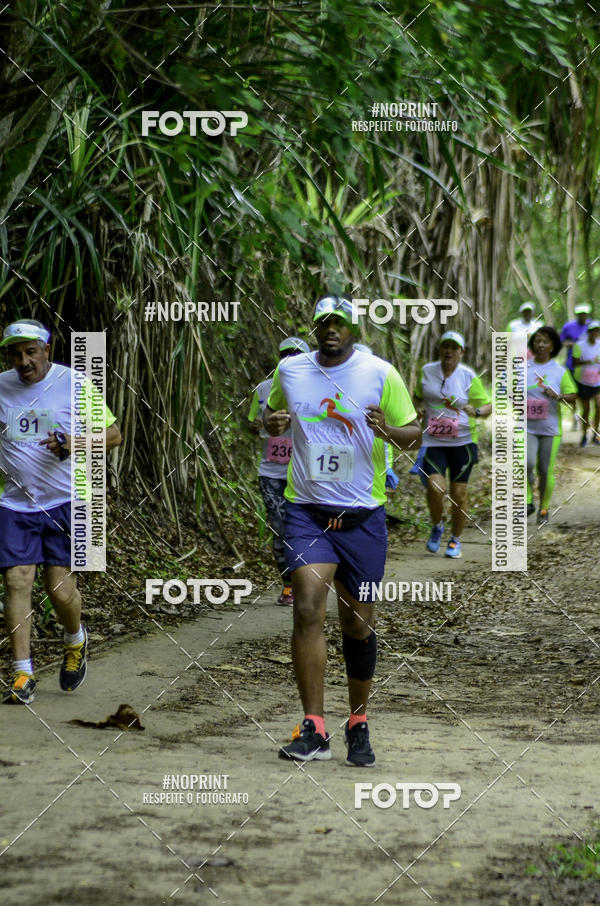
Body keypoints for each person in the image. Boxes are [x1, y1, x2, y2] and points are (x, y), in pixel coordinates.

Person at [264, 296, 420, 765]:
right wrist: (270, 424)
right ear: (314, 328)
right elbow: (268, 419)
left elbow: (415, 433)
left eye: (340, 322)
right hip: (308, 513)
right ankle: (313, 727)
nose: (330, 329)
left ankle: (358, 722)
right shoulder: (290, 373)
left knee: (357, 623)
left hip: (362, 519)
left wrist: (387, 430)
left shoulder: (379, 373)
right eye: (323, 322)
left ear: (352, 328)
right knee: (308, 608)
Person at [0, 320, 122, 704]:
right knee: (17, 581)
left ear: (47, 350)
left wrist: (74, 442)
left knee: (59, 589)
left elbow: (114, 435)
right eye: (16, 354)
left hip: (67, 501)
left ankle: (75, 639)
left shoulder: (76, 384)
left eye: (31, 352)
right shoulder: (1, 386)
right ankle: (22, 673)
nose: (24, 361)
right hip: (15, 504)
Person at [414, 331, 491, 559]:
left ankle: (455, 539)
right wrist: (417, 409)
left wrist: (476, 411)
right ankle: (437, 525)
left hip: (463, 442)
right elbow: (418, 396)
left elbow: (488, 406)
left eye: (454, 347)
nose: (449, 351)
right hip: (433, 441)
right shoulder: (428, 371)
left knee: (460, 494)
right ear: (440, 350)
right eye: (445, 346)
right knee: (435, 488)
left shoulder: (468, 376)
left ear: (461, 352)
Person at [248, 336, 310, 605]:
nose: (291, 359)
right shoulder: (263, 389)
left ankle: (311, 579)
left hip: (307, 473)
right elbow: (253, 422)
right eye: (286, 354)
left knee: (306, 529)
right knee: (281, 527)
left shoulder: (317, 389)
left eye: (297, 355)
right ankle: (288, 585)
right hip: (272, 472)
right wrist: (262, 425)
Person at [526, 326, 577, 524]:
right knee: (526, 464)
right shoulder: (523, 368)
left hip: (550, 429)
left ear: (553, 346)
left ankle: (544, 508)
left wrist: (559, 396)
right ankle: (528, 502)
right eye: (537, 341)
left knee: (544, 470)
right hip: (527, 427)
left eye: (545, 341)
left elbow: (573, 396)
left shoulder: (559, 371)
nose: (540, 345)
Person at [561, 303, 592, 430]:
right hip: (572, 364)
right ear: (577, 315)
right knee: (574, 392)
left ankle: (585, 418)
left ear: (587, 315)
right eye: (580, 314)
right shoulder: (568, 326)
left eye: (584, 314)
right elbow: (562, 340)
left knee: (586, 394)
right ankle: (574, 417)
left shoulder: (592, 326)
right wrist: (569, 344)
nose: (582, 316)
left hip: (589, 367)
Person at [572, 320, 600, 447]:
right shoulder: (580, 345)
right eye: (592, 331)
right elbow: (574, 363)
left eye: (597, 331)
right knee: (586, 410)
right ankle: (584, 435)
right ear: (588, 332)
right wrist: (588, 361)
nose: (595, 333)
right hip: (583, 382)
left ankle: (595, 434)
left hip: (597, 382)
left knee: (599, 407)